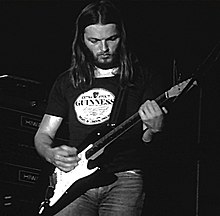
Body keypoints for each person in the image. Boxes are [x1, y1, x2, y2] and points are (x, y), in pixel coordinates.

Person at [34, 0, 165, 215]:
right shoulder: (67, 81)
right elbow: (44, 134)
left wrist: (153, 129)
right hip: (75, 179)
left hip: (125, 177)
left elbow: (148, 140)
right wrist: (50, 153)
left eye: (111, 39)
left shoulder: (142, 77)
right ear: (82, 40)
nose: (104, 48)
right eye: (94, 41)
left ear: (121, 37)